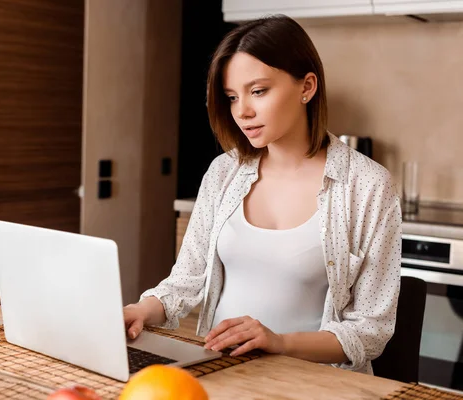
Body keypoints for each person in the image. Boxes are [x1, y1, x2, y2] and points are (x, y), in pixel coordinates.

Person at [123, 14, 401, 375]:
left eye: (258, 91)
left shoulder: (368, 186)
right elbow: (186, 281)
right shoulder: (223, 173)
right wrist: (141, 311)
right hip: (223, 373)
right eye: (232, 97)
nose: (243, 111)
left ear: (307, 87)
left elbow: (370, 332)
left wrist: (279, 342)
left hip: (317, 385)